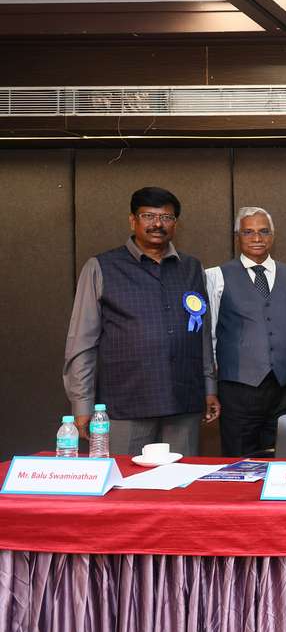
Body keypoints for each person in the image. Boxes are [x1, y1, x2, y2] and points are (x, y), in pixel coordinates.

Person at [63, 186, 219, 456]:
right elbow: (82, 344)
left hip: (184, 402)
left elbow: (201, 335)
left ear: (175, 224)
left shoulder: (192, 268)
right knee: (125, 479)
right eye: (148, 216)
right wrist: (82, 403)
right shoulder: (102, 267)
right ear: (132, 220)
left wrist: (209, 387)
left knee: (181, 479)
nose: (158, 224)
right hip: (126, 403)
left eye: (166, 217)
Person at [206, 207, 286, 456]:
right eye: (248, 232)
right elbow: (210, 336)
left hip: (285, 388)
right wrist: (211, 385)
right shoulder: (216, 276)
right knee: (239, 460)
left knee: (282, 457)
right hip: (238, 389)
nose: (257, 238)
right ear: (237, 237)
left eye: (264, 231)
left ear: (273, 235)